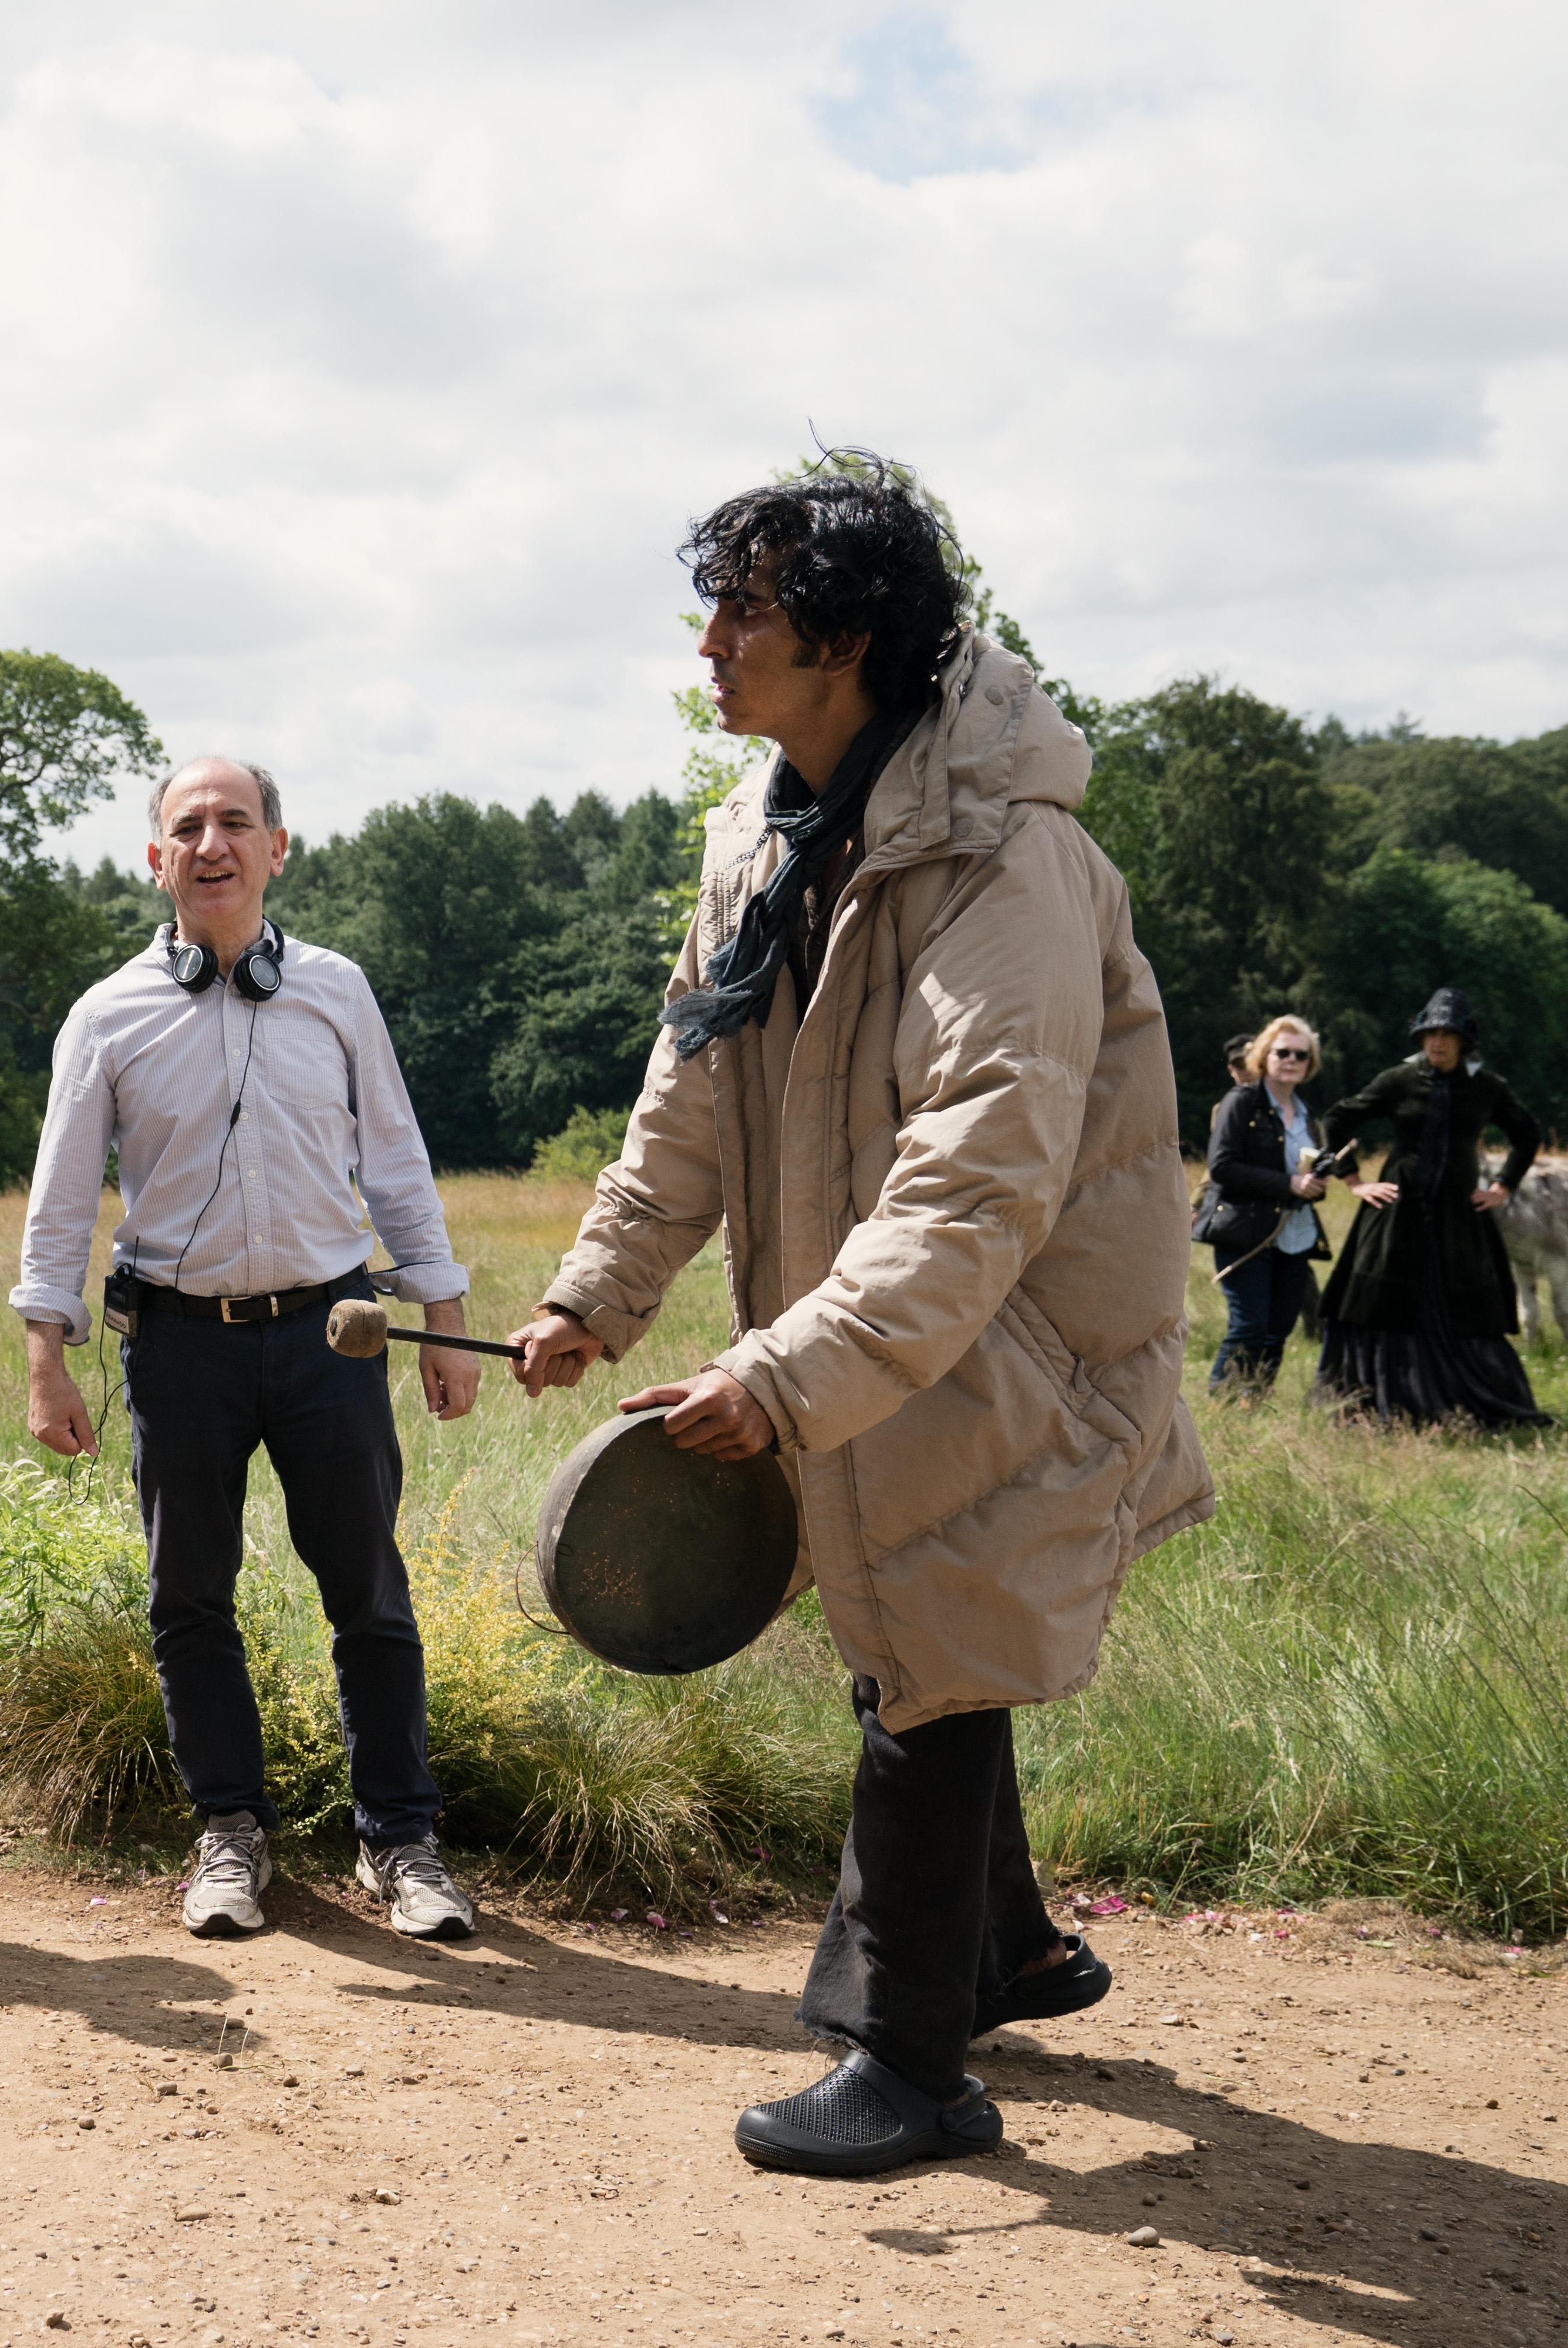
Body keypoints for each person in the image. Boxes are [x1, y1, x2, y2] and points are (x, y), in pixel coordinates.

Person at [510, 457, 1210, 2176]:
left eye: (743, 611)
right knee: (924, 1625)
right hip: (885, 1330)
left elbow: (979, 1179)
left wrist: (780, 1369)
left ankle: (905, 2062)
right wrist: (596, 1290)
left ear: (845, 635)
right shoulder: (759, 839)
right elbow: (688, 1100)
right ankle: (1008, 1948)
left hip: (1013, 1334)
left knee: (923, 1651)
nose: (708, 645)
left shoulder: (1006, 859)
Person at [12, 757, 484, 1945]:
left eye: (236, 822)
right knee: (189, 1599)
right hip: (180, 1350)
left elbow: (397, 1161)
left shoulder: (338, 992)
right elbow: (60, 1203)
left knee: (368, 1592)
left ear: (278, 848)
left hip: (334, 1337)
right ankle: (230, 1832)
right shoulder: (107, 1015)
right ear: (155, 860)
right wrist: (45, 1356)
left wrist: (444, 1314)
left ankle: (400, 1840)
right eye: (188, 827)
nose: (212, 843)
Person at [1313, 989, 1548, 1428]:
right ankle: (1385, 1398)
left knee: (1465, 1306)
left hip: (1459, 1217)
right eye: (1430, 1034)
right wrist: (1355, 1181)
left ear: (1463, 1041)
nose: (1437, 1042)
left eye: (1447, 1034)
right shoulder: (1398, 1080)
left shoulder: (1486, 1087)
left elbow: (1527, 1133)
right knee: (1383, 1300)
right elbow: (1338, 1118)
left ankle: (1460, 1402)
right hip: (1397, 1211)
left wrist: (1502, 1187)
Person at [1202, 1014, 1333, 1395]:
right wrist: (1288, 1184)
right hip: (1246, 1231)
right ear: (1264, 1056)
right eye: (1283, 1053)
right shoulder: (1241, 1102)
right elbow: (1222, 1166)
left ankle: (1254, 1400)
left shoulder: (1307, 1116)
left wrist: (1316, 1184)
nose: (1292, 1060)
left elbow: (1309, 1182)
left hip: (1296, 1234)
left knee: (1280, 1327)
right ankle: (1223, 1402)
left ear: (1310, 1064)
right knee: (1250, 1326)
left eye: (1301, 1055)